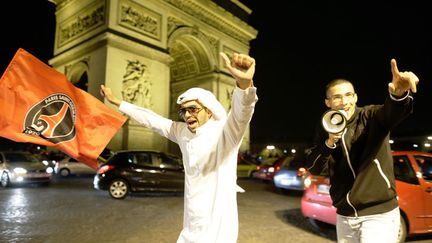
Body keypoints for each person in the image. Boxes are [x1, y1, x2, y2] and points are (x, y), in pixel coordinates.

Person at [100, 52, 258, 243]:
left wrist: (244, 85)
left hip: (217, 223)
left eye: (193, 109)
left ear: (209, 111)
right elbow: (153, 120)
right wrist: (119, 103)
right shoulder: (182, 132)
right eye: (183, 111)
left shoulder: (227, 133)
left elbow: (241, 114)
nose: (187, 115)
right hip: (191, 220)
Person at [306, 59, 419, 243]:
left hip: (378, 214)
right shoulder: (324, 127)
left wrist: (398, 96)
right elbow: (314, 168)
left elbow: (391, 114)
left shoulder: (370, 116)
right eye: (337, 97)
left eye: (348, 95)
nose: (344, 102)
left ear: (355, 97)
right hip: (345, 216)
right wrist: (329, 141)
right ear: (328, 102)